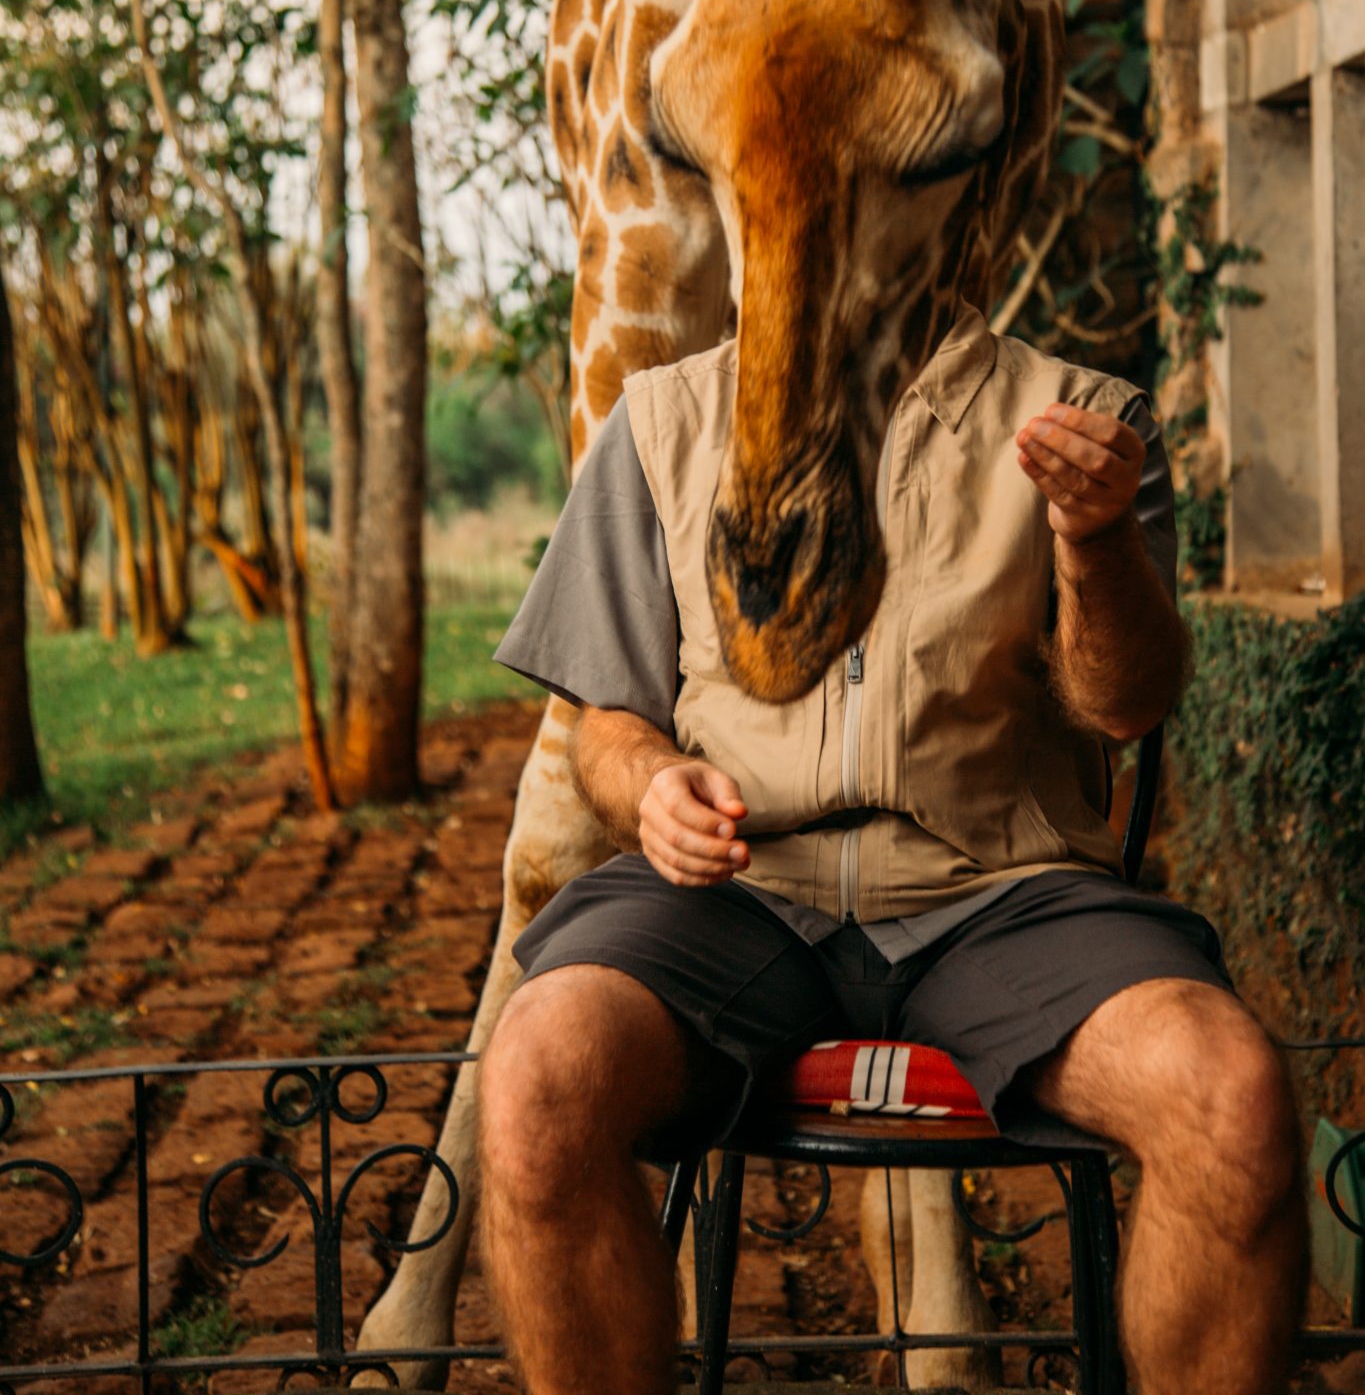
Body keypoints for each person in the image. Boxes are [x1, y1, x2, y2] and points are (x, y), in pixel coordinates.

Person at [477, 306, 1306, 1395]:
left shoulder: (1086, 421)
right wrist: (649, 789)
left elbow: (1126, 705)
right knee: (538, 1070)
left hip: (1008, 895)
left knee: (1230, 1092)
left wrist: (1093, 540)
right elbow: (609, 719)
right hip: (737, 894)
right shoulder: (663, 417)